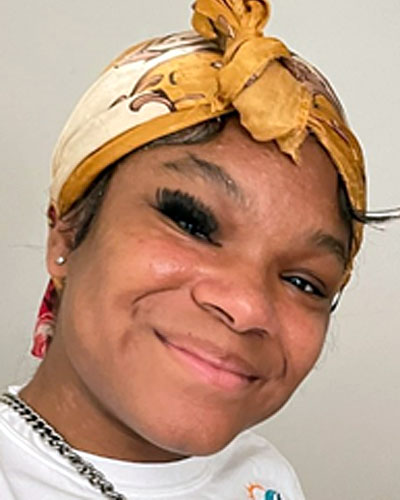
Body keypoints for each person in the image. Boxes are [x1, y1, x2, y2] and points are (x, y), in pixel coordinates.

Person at [0, 1, 395, 499]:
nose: (247, 306)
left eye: (303, 282)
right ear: (66, 235)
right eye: (191, 223)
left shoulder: (264, 479)